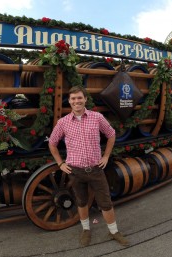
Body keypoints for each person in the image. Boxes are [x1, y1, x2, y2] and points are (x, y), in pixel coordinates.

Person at [48, 86, 130, 247]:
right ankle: (86, 230)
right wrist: (60, 163)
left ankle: (114, 232)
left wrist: (106, 156)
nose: (76, 101)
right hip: (75, 171)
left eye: (79, 98)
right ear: (69, 101)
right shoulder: (63, 122)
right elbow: (52, 143)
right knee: (81, 201)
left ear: (85, 99)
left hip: (95, 170)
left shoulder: (96, 117)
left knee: (105, 203)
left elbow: (111, 134)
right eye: (73, 98)